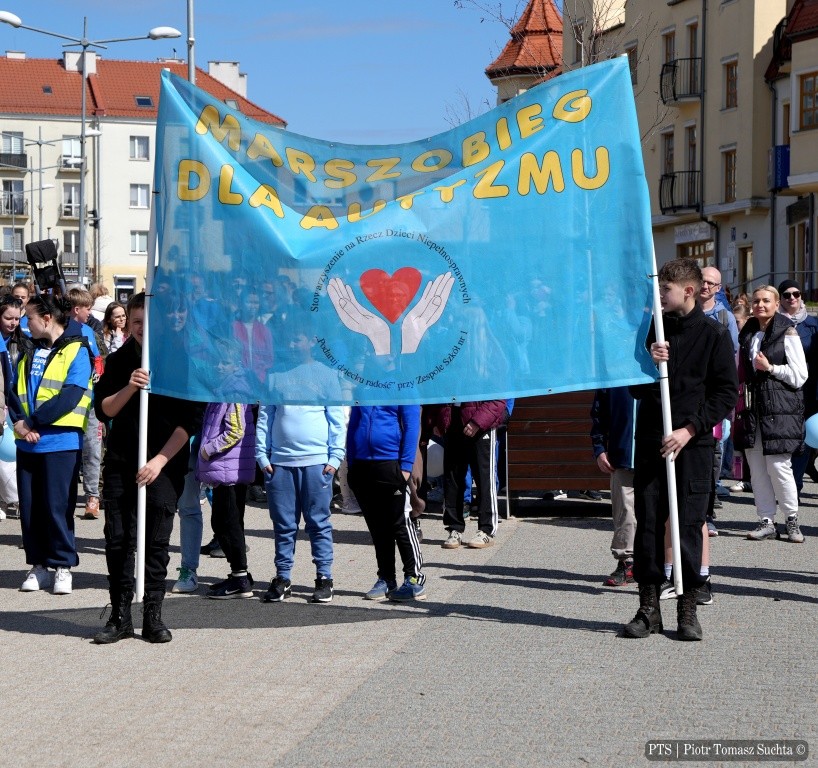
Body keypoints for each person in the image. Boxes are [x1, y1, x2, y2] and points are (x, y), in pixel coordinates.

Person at [623, 259, 737, 642]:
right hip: (653, 441)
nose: (660, 297)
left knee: (687, 524)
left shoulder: (713, 334)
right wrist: (647, 365)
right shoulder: (653, 330)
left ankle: (686, 607)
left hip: (693, 444)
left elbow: (726, 392)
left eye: (666, 290)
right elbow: (633, 385)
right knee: (649, 523)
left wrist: (690, 429)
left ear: (687, 290)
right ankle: (648, 608)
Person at [92, 293, 203, 644]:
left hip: (162, 466)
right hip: (122, 462)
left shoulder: (178, 361)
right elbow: (104, 410)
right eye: (136, 322)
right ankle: (120, 615)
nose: (141, 329)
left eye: (147, 323)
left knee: (156, 541)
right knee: (119, 540)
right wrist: (131, 385)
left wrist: (159, 461)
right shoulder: (119, 360)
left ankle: (152, 615)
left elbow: (189, 422)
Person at [9, 295, 94, 595]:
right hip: (27, 442)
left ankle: (62, 566)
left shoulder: (77, 349)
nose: (24, 324)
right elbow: (13, 390)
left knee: (58, 507)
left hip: (60, 441)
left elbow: (71, 395)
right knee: (31, 509)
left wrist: (34, 422)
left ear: (46, 318)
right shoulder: (28, 349)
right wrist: (19, 422)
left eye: (28, 317)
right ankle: (38, 565)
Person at [256, 400, 345, 604]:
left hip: (317, 463)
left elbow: (337, 420)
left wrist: (335, 459)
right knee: (283, 526)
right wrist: (261, 456)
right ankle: (283, 578)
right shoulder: (274, 375)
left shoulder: (325, 375)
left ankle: (324, 578)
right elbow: (265, 417)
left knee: (318, 523)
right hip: (279, 464)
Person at [739, 285, 807, 544]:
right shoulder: (748, 332)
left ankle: (792, 520)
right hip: (752, 409)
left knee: (779, 468)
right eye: (756, 301)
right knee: (757, 471)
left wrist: (771, 368)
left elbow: (800, 376)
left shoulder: (787, 332)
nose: (760, 305)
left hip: (781, 409)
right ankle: (766, 520)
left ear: (777, 304)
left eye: (766, 301)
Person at [347, 405, 426, 601]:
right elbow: (353, 424)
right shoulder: (364, 385)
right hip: (362, 465)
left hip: (392, 464)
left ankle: (414, 578)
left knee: (401, 523)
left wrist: (406, 467)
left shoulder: (403, 385)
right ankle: (386, 578)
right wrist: (351, 461)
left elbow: (411, 425)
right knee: (377, 527)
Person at [198, 395, 257, 600]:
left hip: (229, 469)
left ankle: (240, 579)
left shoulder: (233, 392)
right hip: (225, 469)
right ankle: (238, 575)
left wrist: (208, 450)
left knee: (228, 524)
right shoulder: (223, 391)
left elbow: (235, 430)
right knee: (225, 523)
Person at [429, 400, 507, 549]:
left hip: (481, 422)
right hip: (453, 420)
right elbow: (439, 389)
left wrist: (478, 421)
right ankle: (454, 528)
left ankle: (487, 530)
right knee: (452, 478)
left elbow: (497, 398)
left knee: (485, 478)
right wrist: (437, 420)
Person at [590, 387, 637, 586]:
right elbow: (599, 411)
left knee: (659, 512)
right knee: (624, 510)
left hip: (658, 453)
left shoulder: (662, 365)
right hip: (622, 453)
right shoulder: (616, 368)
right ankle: (627, 562)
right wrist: (599, 448)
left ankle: (662, 564)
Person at [67, 287, 105, 521]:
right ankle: (67, 499)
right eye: (87, 308)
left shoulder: (89, 331)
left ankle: (92, 497)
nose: (90, 313)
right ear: (76, 309)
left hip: (89, 402)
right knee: (70, 451)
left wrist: (98, 371)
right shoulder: (60, 330)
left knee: (92, 449)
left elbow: (99, 358)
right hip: (66, 401)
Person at [777, 279, 818, 495]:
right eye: (786, 294)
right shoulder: (773, 323)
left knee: (804, 439)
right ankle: (784, 489)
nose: (792, 298)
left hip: (808, 391)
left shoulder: (812, 324)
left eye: (796, 293)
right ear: (780, 298)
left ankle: (796, 486)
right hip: (781, 389)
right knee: (785, 440)